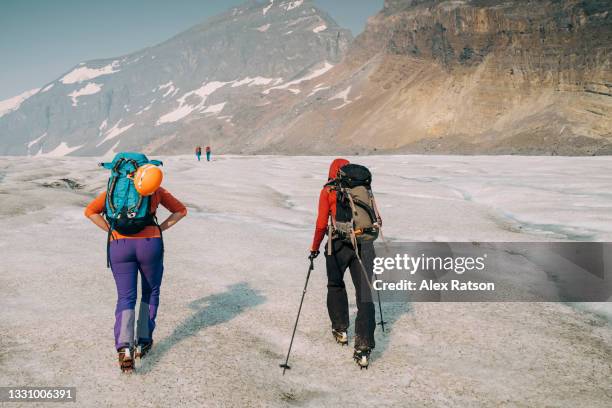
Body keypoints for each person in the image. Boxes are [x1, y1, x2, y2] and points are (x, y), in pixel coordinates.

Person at [85, 174, 187, 372]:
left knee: (126, 297)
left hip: (119, 245)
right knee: (150, 292)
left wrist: (111, 230)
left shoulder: (115, 191)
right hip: (150, 244)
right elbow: (181, 211)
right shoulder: (156, 189)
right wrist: (160, 228)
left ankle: (124, 347)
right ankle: (143, 341)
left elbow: (90, 211)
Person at [310, 158, 378, 368]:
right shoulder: (364, 189)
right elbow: (376, 218)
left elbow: (322, 224)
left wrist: (314, 248)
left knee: (335, 285)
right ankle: (363, 346)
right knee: (364, 293)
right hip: (364, 245)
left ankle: (340, 329)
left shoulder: (328, 191)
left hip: (337, 245)